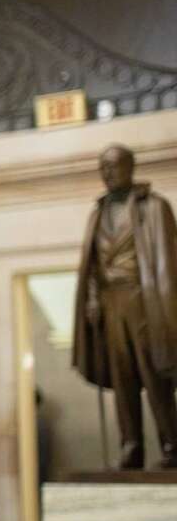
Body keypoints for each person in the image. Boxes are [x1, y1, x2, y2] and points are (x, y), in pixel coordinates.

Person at [73, 144, 177, 469]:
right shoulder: (98, 213)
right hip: (110, 304)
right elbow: (91, 264)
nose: (107, 172)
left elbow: (169, 262)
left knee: (154, 372)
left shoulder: (154, 206)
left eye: (113, 166)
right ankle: (131, 446)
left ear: (130, 167)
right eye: (102, 167)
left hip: (144, 300)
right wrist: (92, 297)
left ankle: (172, 444)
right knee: (123, 379)